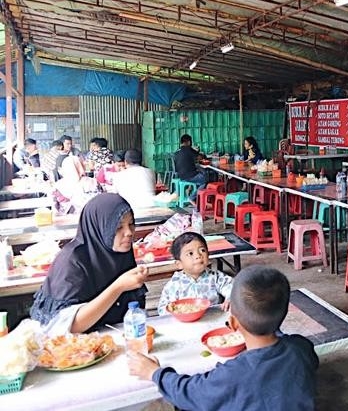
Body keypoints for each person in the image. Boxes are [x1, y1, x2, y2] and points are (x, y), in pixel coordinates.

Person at [129, 265, 319, 411]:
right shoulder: (301, 348)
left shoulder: (233, 374)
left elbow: (189, 393)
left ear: (233, 324)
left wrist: (154, 373)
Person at [30, 194, 148, 334]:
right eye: (118, 227)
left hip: (115, 339)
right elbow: (68, 326)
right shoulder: (71, 261)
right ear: (99, 227)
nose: (129, 232)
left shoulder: (119, 253)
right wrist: (118, 287)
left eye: (131, 224)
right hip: (76, 348)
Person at [157, 232, 234, 315]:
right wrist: (174, 313)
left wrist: (230, 298)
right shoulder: (174, 283)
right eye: (190, 253)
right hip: (185, 323)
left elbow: (233, 287)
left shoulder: (215, 277)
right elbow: (162, 308)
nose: (198, 255)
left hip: (212, 318)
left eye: (202, 250)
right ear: (179, 264)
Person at [174, 134, 205, 203]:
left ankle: (190, 189)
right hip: (190, 176)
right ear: (188, 142)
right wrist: (200, 153)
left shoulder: (177, 152)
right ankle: (192, 197)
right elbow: (199, 157)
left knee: (198, 174)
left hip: (181, 176)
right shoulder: (188, 149)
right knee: (205, 179)